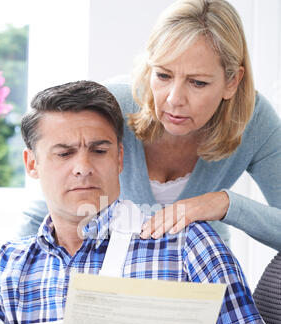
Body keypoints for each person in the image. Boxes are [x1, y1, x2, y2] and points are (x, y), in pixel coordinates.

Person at [0, 80, 280, 324]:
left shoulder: (187, 243)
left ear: (120, 158)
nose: (83, 167)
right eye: (64, 153)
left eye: (99, 150)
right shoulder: (4, 267)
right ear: (32, 164)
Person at [18, 0, 281, 253]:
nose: (174, 99)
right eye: (163, 75)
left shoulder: (254, 121)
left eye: (197, 82)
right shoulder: (113, 105)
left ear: (232, 81)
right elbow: (51, 203)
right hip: (109, 276)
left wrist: (224, 204)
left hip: (199, 274)